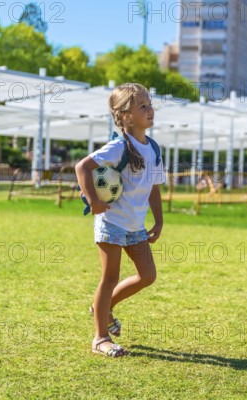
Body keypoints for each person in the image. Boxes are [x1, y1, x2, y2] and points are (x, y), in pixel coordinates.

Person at [75, 83, 164, 358]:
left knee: (147, 275)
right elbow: (83, 167)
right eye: (143, 106)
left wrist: (159, 221)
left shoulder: (154, 149)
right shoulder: (117, 147)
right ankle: (100, 337)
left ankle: (103, 308)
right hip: (112, 223)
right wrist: (93, 201)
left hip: (135, 226)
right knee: (109, 277)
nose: (150, 110)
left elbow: (154, 187)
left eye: (150, 104)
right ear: (125, 116)